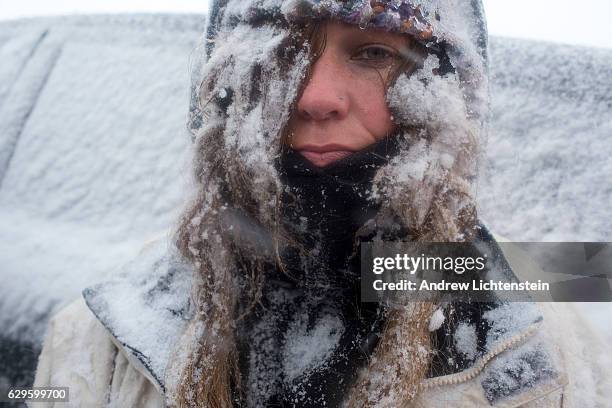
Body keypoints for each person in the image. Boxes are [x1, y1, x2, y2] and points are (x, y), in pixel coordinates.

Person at [32, 1, 608, 407]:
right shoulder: (102, 334)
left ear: (444, 91)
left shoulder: (533, 346)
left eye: (373, 52)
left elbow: (583, 270)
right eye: (282, 52)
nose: (315, 97)